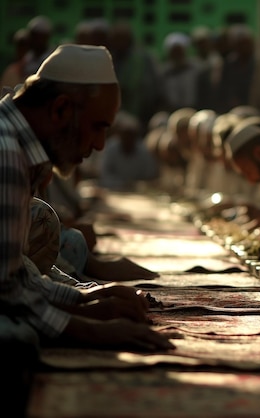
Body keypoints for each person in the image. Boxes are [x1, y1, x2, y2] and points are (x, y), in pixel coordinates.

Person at [0, 44, 174, 355]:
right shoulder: (6, 153)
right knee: (18, 340)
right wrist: (94, 330)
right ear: (61, 110)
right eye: (97, 127)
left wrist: (85, 298)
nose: (100, 144)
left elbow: (16, 275)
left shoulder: (16, 146)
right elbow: (7, 294)